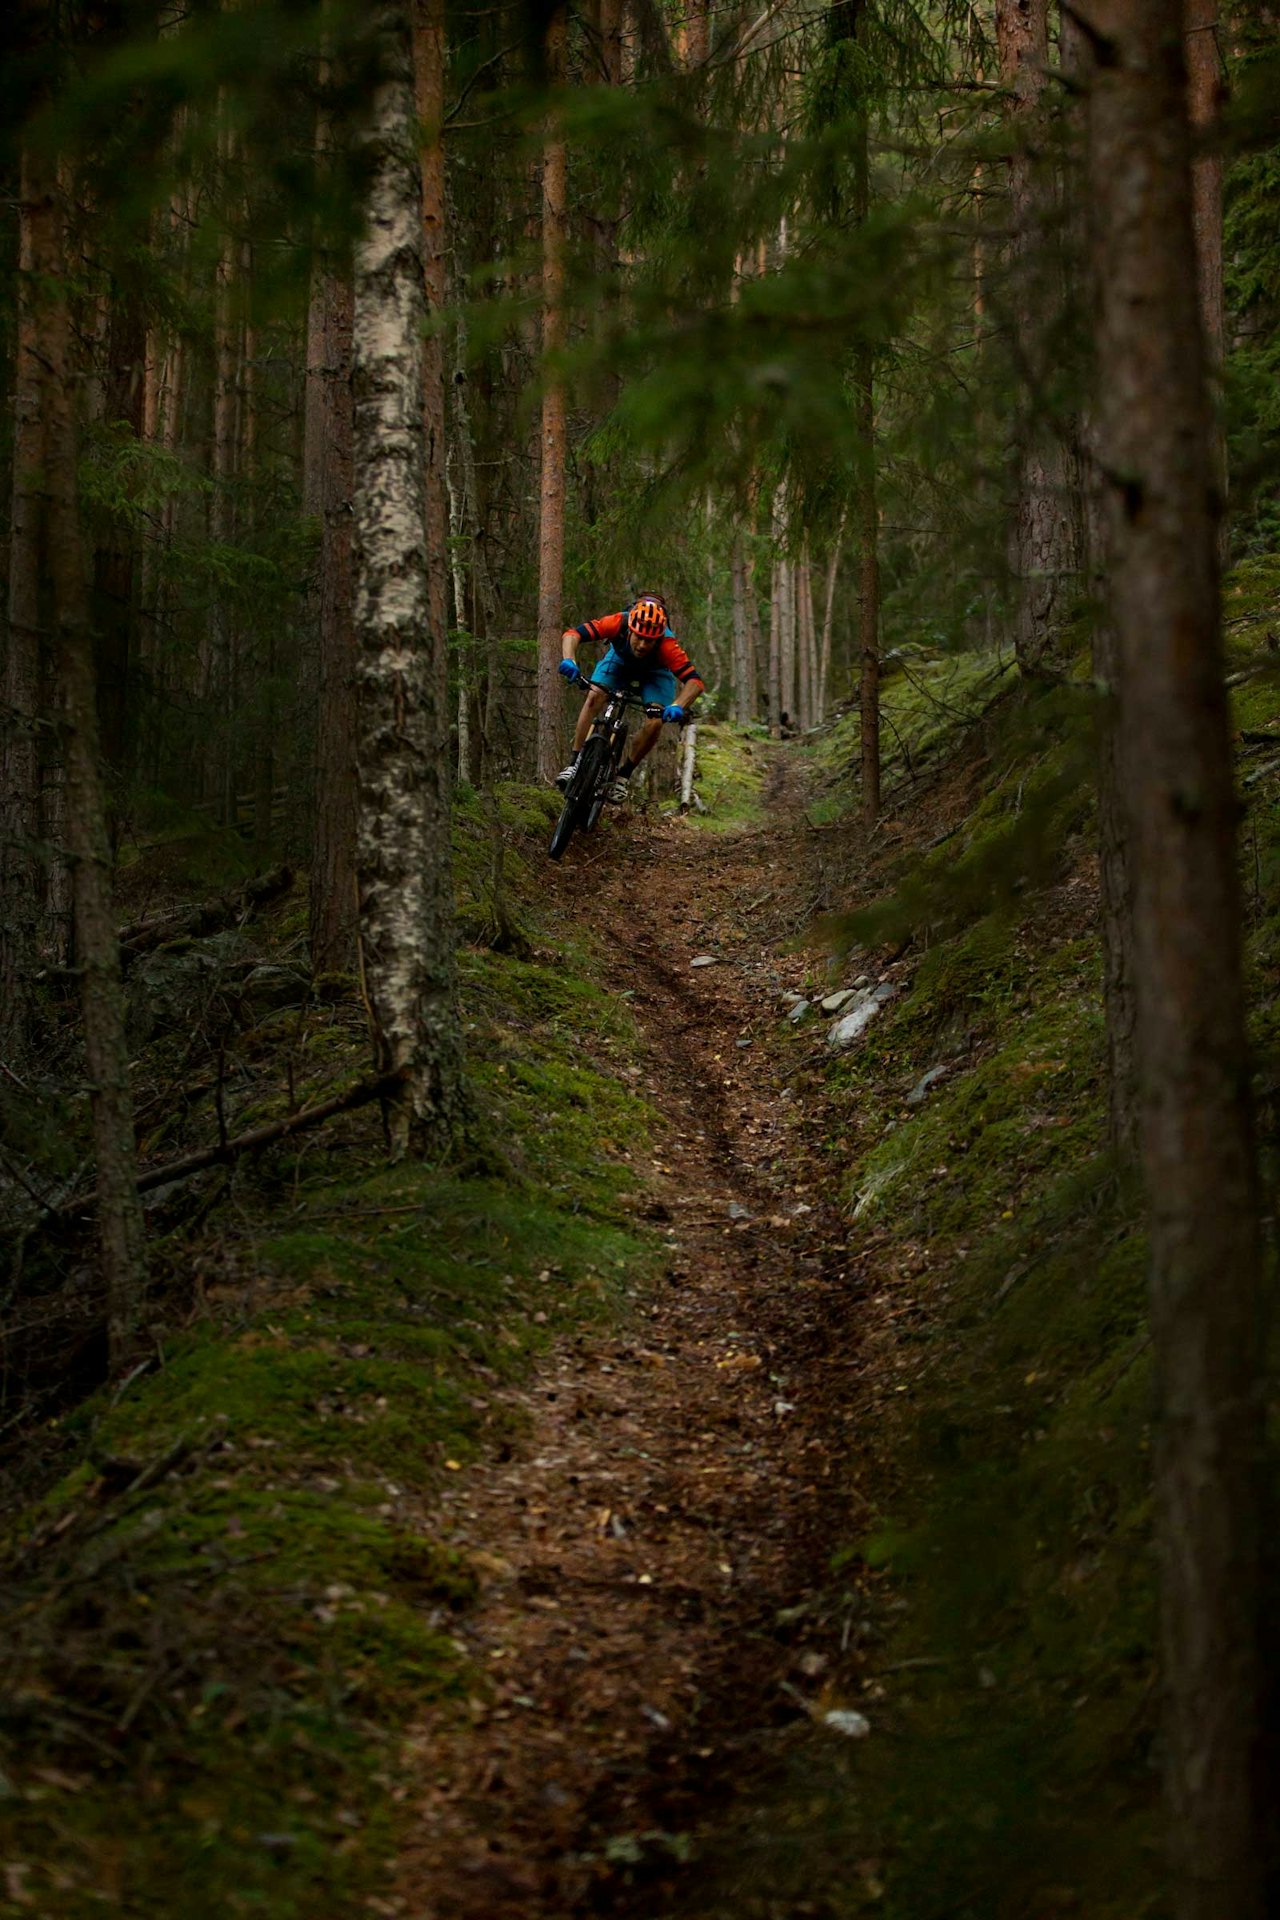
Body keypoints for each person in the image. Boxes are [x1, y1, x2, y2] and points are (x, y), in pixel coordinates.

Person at [555, 594, 705, 803]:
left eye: (649, 640)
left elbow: (694, 682)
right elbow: (573, 634)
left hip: (655, 674)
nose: (643, 645)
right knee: (594, 697)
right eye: (638, 637)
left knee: (655, 722)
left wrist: (677, 706)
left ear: (658, 637)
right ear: (631, 629)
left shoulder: (667, 644)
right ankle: (574, 763)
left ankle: (623, 776)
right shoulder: (618, 622)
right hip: (619, 663)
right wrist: (569, 660)